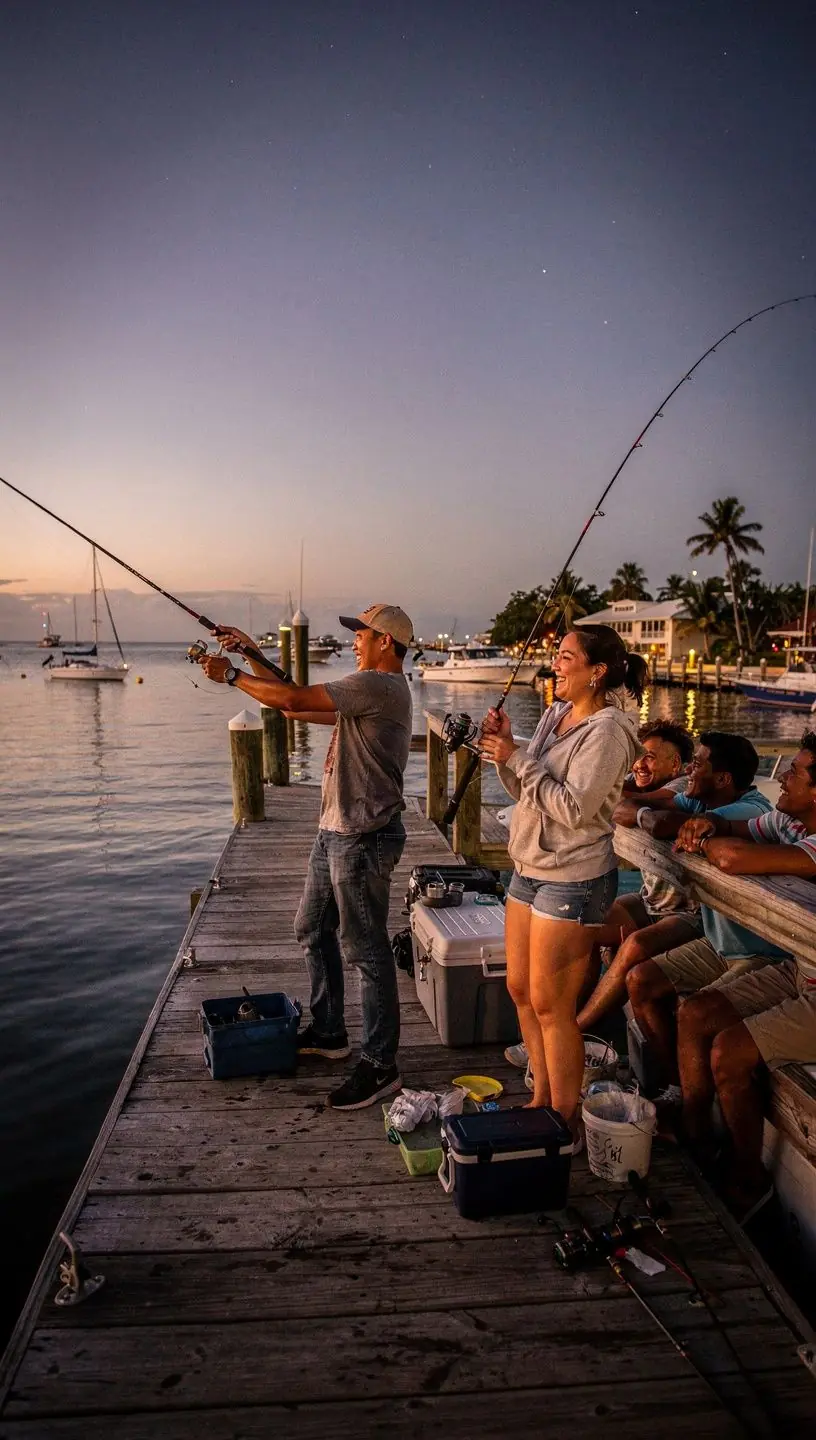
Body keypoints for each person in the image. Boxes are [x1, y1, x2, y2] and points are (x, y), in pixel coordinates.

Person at [198, 604, 414, 1110]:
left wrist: (230, 675)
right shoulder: (369, 691)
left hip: (362, 836)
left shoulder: (379, 685)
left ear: (386, 641)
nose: (355, 640)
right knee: (312, 928)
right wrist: (251, 651)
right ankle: (331, 1032)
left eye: (361, 634)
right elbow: (293, 707)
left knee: (366, 950)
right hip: (333, 830)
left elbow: (293, 694)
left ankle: (381, 1065)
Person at [479, 625, 647, 1142]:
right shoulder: (555, 715)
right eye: (557, 654)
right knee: (520, 990)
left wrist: (519, 758)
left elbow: (576, 809)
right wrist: (507, 750)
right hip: (530, 868)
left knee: (555, 1006)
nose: (557, 664)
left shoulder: (609, 730)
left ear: (597, 671)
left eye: (567, 656)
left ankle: (565, 1120)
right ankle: (541, 1096)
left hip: (574, 878)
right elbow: (528, 790)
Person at [669, 732, 816, 1219]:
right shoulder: (788, 822)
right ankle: (696, 1137)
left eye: (794, 773)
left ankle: (749, 1179)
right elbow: (735, 828)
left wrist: (709, 839)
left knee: (728, 1051)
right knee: (695, 1013)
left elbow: (733, 856)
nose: (782, 779)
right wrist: (705, 822)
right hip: (800, 970)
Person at [619, 732, 785, 1106]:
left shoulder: (747, 811)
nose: (691, 770)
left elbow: (666, 823)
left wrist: (660, 818)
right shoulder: (702, 799)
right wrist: (648, 811)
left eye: (699, 764)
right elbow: (630, 807)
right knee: (640, 980)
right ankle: (674, 1087)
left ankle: (695, 1119)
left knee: (694, 1011)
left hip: (758, 953)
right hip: (718, 942)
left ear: (723, 779)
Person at [575, 720, 700, 1034]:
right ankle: (573, 1018)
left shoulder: (682, 787)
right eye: (639, 756)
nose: (641, 764)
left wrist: (611, 790)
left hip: (690, 913)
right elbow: (615, 804)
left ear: (677, 765)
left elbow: (614, 799)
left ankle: (576, 1030)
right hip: (652, 903)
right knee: (585, 926)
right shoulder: (638, 782)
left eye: (651, 757)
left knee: (633, 945)